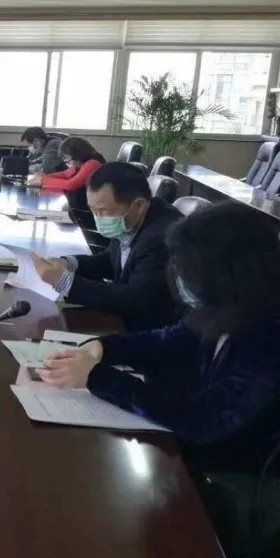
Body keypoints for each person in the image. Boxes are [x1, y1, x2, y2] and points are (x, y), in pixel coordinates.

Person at [40, 202, 280, 477]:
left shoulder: (270, 340)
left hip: (225, 473)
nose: (181, 280)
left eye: (190, 271)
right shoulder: (225, 307)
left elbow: (203, 419)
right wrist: (102, 348)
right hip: (180, 446)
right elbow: (167, 341)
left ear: (230, 274)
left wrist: (98, 378)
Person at [31, 163, 182, 331]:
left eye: (102, 211)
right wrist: (69, 263)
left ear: (139, 205)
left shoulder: (161, 237)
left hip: (150, 331)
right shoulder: (131, 219)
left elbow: (135, 299)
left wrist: (66, 283)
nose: (98, 218)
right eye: (93, 210)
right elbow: (111, 260)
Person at [27, 136, 104, 191]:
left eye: (67, 158)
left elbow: (71, 184)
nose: (66, 161)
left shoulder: (92, 163)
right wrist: (45, 176)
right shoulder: (79, 164)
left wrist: (43, 180)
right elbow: (65, 174)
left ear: (76, 153)